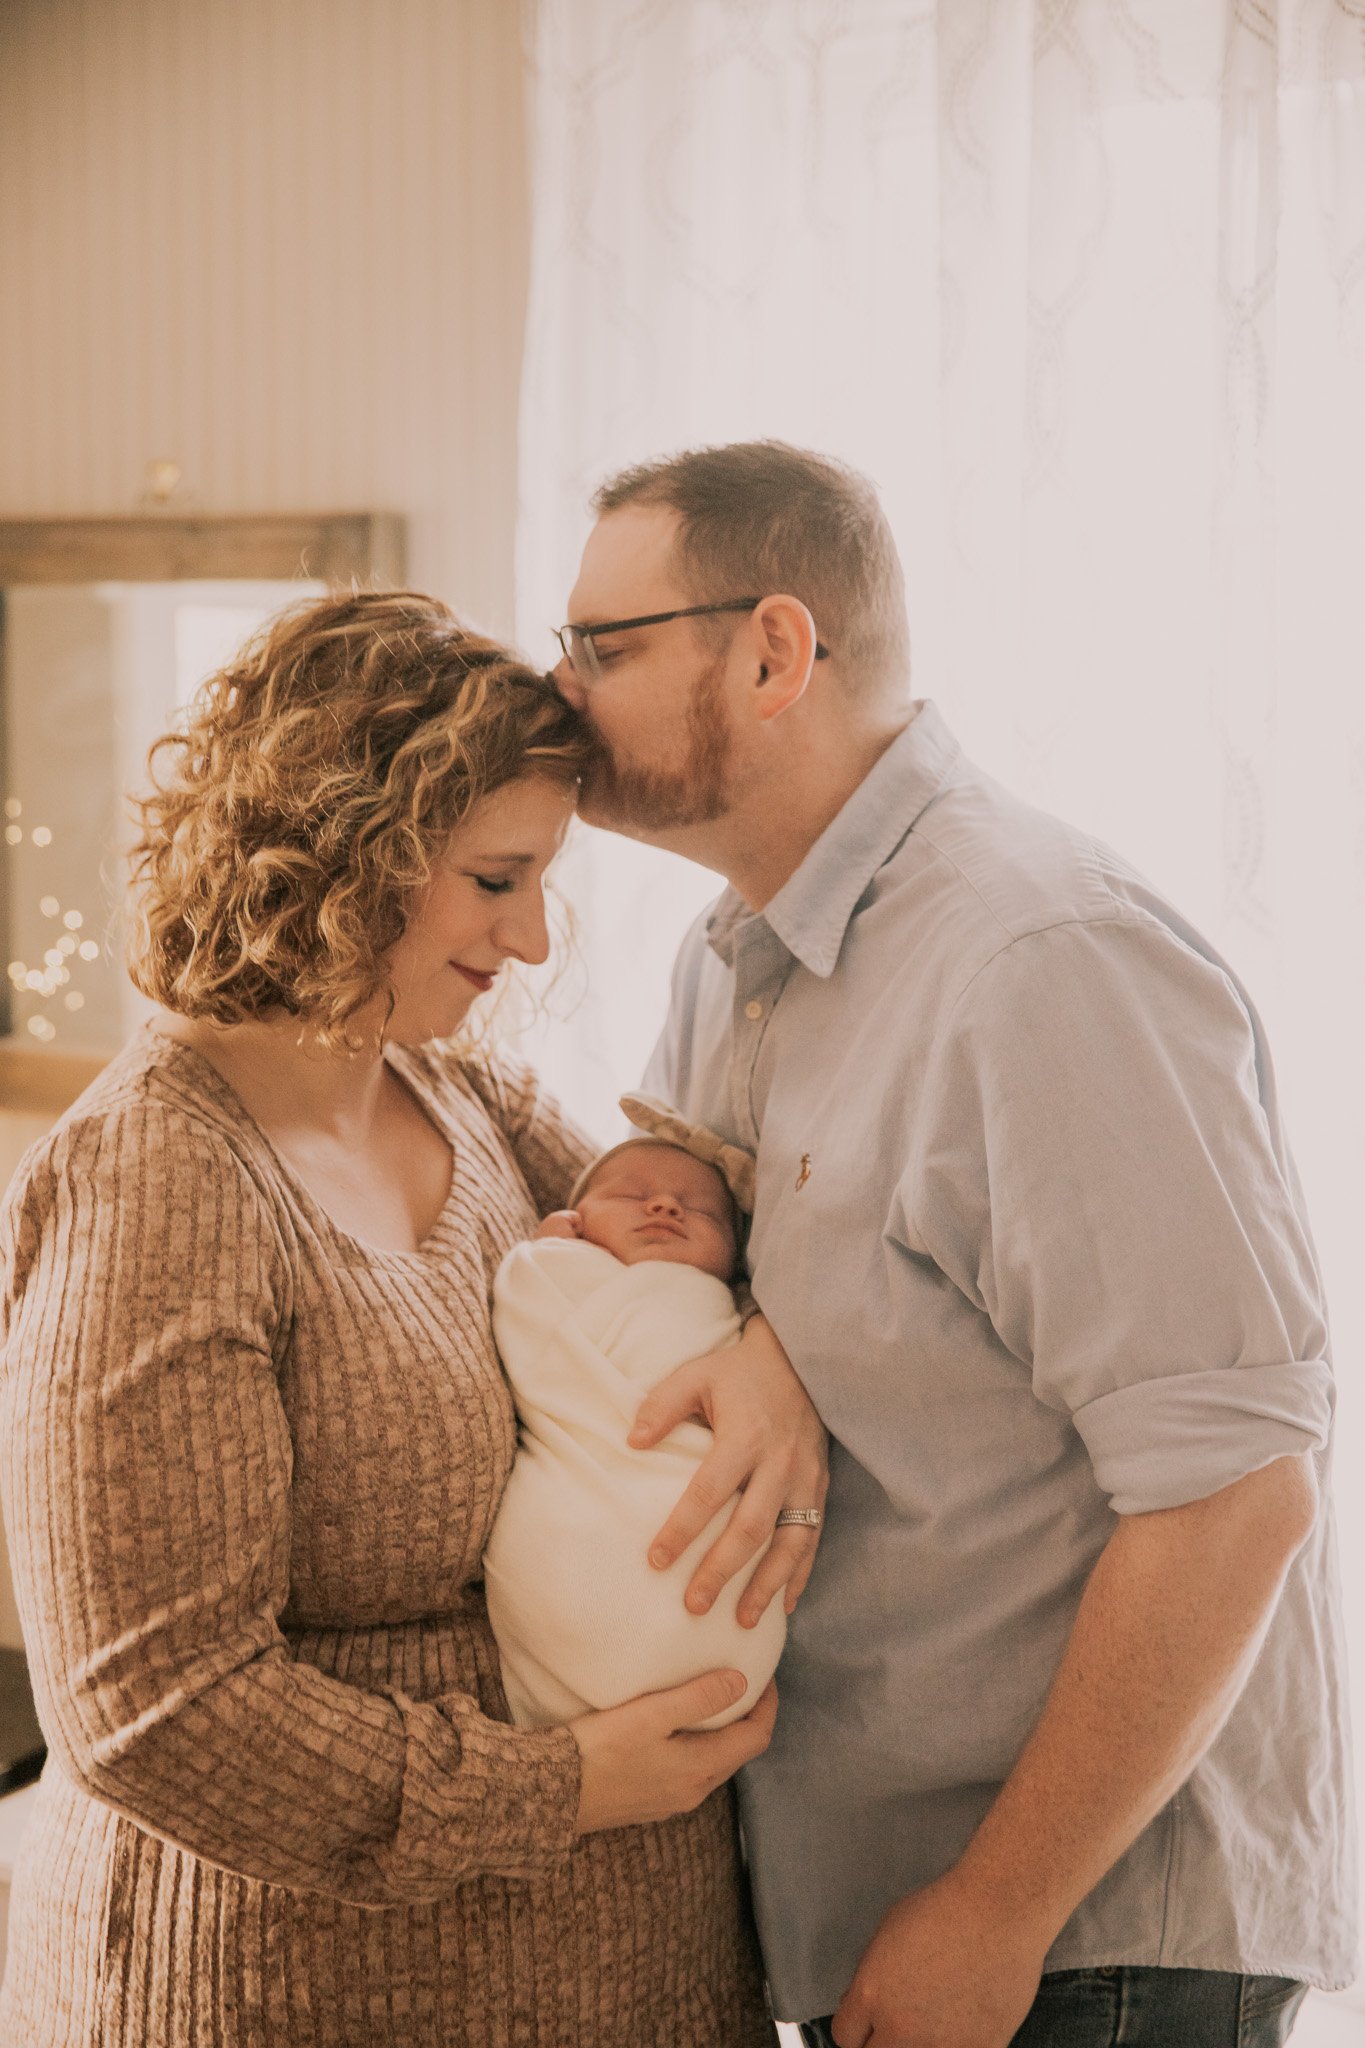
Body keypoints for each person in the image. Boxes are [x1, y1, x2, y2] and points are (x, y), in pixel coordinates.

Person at [551, 441, 1356, 2048]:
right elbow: (839, 1268)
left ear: (775, 651)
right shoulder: (740, 958)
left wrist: (996, 1909)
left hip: (1081, 1946)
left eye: (605, 648)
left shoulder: (1042, 960)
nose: (555, 692)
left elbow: (1232, 1490)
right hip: (888, 1927)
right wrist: (766, 1339)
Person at [0, 589, 828, 2048]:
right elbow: (153, 1709)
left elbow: (700, 1260)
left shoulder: (461, 1094)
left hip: (629, 1973)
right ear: (343, 857)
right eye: (496, 880)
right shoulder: (159, 1175)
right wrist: (559, 1787)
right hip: (289, 1994)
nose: (532, 939)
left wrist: (770, 1365)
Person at [484, 1099, 786, 1733]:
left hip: (728, 1597)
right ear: (572, 1221)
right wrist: (543, 1257)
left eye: (699, 1209)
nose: (665, 1207)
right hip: (583, 1519)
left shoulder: (731, 1317)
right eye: (631, 1195)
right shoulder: (559, 1272)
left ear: (736, 1262)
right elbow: (525, 1322)